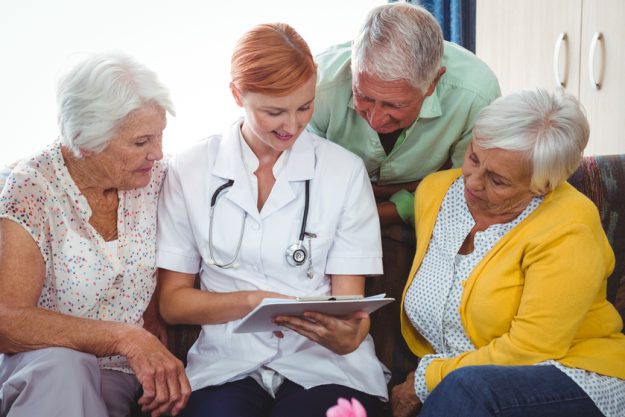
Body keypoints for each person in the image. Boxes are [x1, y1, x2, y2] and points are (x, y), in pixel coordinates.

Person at [156, 23, 389, 417]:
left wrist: (350, 336)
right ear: (236, 95)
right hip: (227, 364)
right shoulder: (190, 169)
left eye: (305, 107)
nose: (292, 126)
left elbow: (352, 307)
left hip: (325, 365)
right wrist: (254, 302)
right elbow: (173, 303)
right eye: (273, 111)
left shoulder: (344, 171)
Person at [390, 89, 625, 417]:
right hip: (463, 386)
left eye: (497, 181)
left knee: (468, 388)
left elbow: (532, 348)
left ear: (542, 186)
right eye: (473, 158)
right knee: (465, 388)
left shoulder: (569, 224)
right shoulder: (436, 191)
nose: (472, 182)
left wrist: (427, 379)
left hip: (569, 374)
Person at [0, 52, 190, 417]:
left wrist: (155, 315)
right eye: (141, 142)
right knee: (64, 368)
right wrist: (126, 336)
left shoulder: (157, 182)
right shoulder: (32, 188)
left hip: (117, 375)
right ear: (85, 141)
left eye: (160, 136)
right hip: (40, 371)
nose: (157, 153)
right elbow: (8, 319)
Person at [309, 2, 501, 226]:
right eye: (364, 97)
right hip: (329, 211)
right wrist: (418, 186)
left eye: (394, 105)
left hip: (432, 213)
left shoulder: (476, 95)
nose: (375, 119)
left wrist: (380, 211)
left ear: (433, 83)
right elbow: (306, 182)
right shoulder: (316, 85)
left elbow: (463, 190)